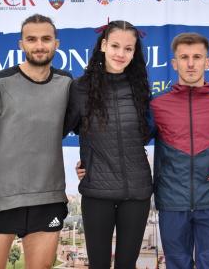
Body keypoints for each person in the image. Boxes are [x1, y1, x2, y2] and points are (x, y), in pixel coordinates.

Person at [0, 14, 71, 269]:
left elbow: (86, 128)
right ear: (21, 44)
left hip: (49, 198)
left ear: (56, 43)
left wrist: (86, 164)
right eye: (31, 39)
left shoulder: (67, 83)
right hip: (2, 198)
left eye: (46, 39)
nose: (39, 45)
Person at [65, 20, 152, 269]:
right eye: (115, 45)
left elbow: (146, 135)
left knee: (127, 265)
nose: (120, 53)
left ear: (134, 52)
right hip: (97, 194)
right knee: (98, 265)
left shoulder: (141, 89)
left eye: (128, 48)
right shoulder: (80, 88)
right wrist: (86, 162)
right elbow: (61, 129)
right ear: (103, 45)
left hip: (137, 194)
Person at [150, 33, 209, 268]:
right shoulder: (157, 103)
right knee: (177, 263)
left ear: (207, 62)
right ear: (174, 63)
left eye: (197, 57)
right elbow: (129, 142)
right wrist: (90, 163)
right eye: (184, 57)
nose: (190, 63)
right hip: (171, 201)